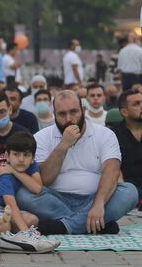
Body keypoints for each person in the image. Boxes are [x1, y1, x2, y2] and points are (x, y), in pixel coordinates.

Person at [16, 90, 138, 235]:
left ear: (83, 110)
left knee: (129, 191)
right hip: (55, 199)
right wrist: (63, 145)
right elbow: (44, 180)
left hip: (97, 198)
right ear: (54, 114)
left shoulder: (105, 134)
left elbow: (112, 171)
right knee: (23, 194)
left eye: (74, 112)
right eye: (62, 114)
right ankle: (94, 224)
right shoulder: (41, 137)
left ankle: (62, 226)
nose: (69, 119)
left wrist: (99, 205)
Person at [0, 131, 58, 253]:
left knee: (33, 220)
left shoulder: (31, 166)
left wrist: (15, 171)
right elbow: (11, 205)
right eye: (16, 154)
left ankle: (16, 231)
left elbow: (37, 188)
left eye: (26, 155)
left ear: (33, 158)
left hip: (7, 207)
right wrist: (26, 234)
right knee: (3, 226)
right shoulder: (4, 176)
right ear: (7, 155)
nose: (21, 159)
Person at [111, 90, 142, 204]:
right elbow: (114, 169)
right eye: (136, 104)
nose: (141, 106)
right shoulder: (113, 134)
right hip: (129, 189)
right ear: (124, 112)